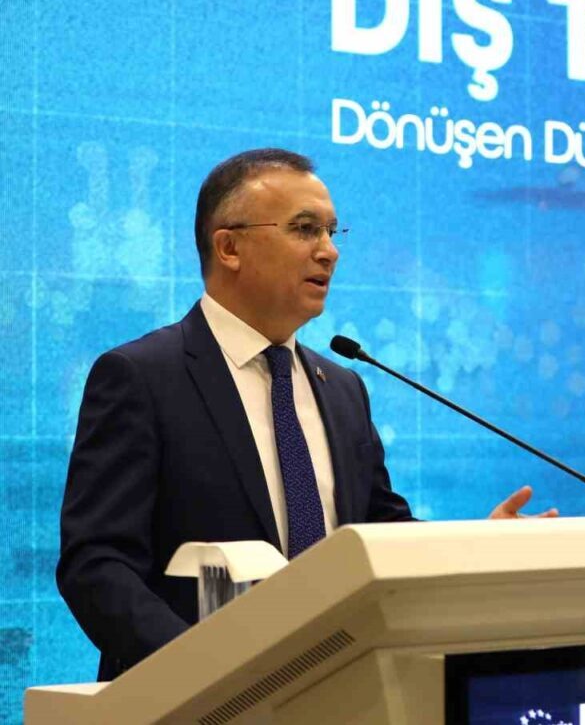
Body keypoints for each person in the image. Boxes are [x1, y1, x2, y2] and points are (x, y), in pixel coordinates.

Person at [56, 148, 555, 681]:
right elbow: (97, 564)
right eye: (304, 229)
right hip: (194, 701)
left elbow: (381, 532)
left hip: (337, 689)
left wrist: (479, 547)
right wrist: (201, 670)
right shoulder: (143, 376)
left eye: (332, 232)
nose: (329, 252)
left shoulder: (342, 388)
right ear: (229, 247)